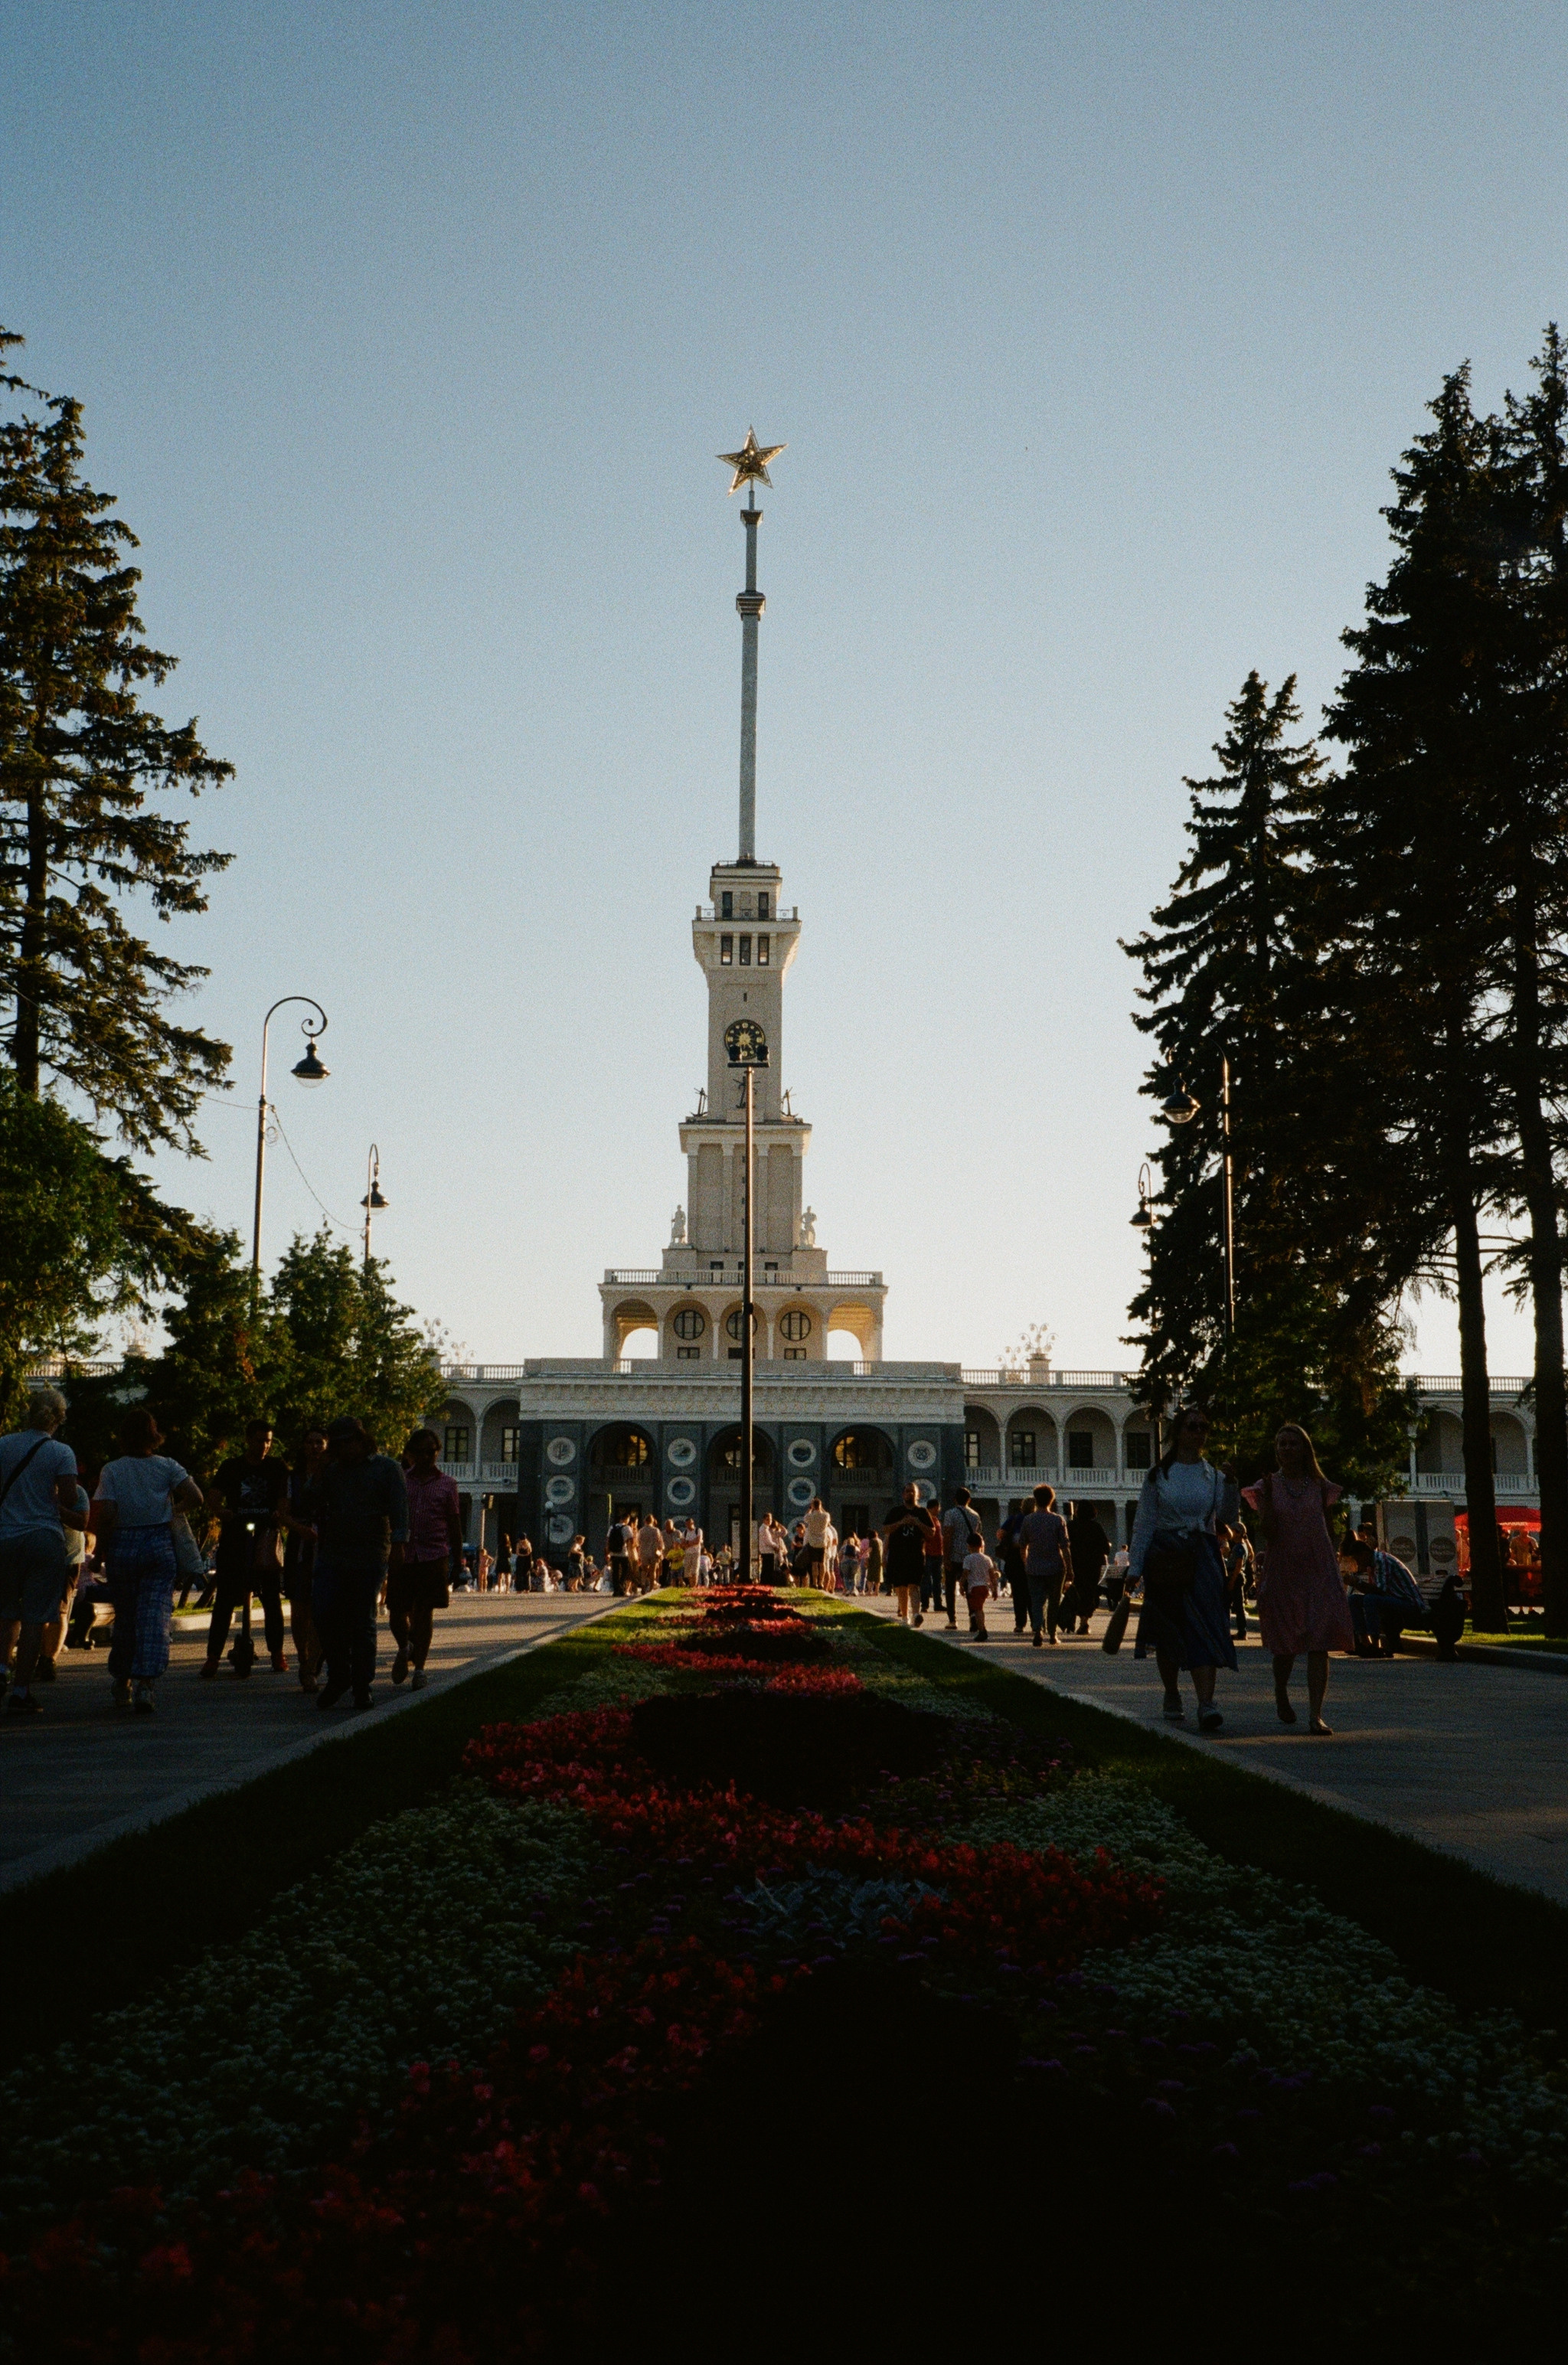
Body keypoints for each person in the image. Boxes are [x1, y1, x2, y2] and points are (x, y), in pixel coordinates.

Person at [1129, 1406, 1238, 1730]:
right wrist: (1134, 1566)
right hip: (1165, 1556)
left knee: (1205, 1624)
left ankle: (1206, 1703)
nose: (1199, 1432)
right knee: (1168, 1630)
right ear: (1179, 1432)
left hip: (1202, 1556)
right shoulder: (1159, 1475)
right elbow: (1144, 1523)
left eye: (1204, 1427)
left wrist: (1232, 1484)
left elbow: (1228, 1517)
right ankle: (1172, 1692)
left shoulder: (1214, 1476)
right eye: (1193, 1426)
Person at [92, 1408, 204, 1716]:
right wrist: (169, 1513)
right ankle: (146, 1684)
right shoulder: (168, 1466)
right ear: (154, 1435)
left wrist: (100, 1552)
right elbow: (196, 1497)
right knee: (154, 1616)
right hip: (158, 1545)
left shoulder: (112, 1470)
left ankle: (122, 1681)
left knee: (127, 1617)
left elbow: (109, 1513)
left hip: (124, 1546)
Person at [1242, 1423, 1351, 1736]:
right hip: (1284, 1571)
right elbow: (1269, 1532)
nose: (1286, 1449)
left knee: (1321, 1642)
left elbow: (1328, 1529)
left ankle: (1316, 1713)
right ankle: (1281, 1692)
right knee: (1286, 1645)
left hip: (1319, 1570)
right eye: (1281, 1444)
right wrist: (1266, 1503)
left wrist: (1335, 1567)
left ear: (1305, 1449)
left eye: (1292, 1444)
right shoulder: (1266, 1487)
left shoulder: (1320, 1485)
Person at [302, 1417, 409, 1711]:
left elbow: (400, 1510)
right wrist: (318, 1475)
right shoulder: (333, 1471)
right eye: (338, 1445)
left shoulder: (386, 1468)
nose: (344, 1449)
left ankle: (362, 1684)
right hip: (334, 1553)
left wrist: (400, 1545)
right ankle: (339, 1674)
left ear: (362, 1440)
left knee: (363, 1621)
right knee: (323, 1612)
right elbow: (307, 1502)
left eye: (349, 1442)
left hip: (370, 1552)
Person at [0, 1387, 91, 1719]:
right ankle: (21, 1692)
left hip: (5, 1537)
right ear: (59, 1418)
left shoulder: (4, 1444)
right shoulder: (60, 1452)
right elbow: (68, 1498)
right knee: (37, 1618)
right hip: (43, 1539)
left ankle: (0, 1671)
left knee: (7, 1612)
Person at [202, 1419, 291, 1679]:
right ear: (248, 1440)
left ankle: (277, 1654)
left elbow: (286, 1498)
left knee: (272, 1599)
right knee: (225, 1602)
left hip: (265, 1539)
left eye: (268, 1441)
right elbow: (213, 1499)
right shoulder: (231, 1467)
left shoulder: (276, 1467)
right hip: (235, 1540)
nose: (264, 1446)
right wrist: (222, 1512)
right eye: (260, 1440)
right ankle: (213, 1658)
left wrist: (280, 1513)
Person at [390, 1429, 463, 1691]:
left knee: (425, 1614)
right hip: (404, 1554)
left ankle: (420, 1668)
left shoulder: (448, 1484)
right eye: (420, 1451)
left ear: (438, 1452)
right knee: (397, 1610)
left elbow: (454, 1523)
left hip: (434, 1555)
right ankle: (404, 1646)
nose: (426, 1456)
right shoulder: (401, 1481)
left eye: (431, 1451)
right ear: (410, 1453)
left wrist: (459, 1562)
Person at [283, 1429, 328, 1691]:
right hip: (301, 1546)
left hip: (327, 1547)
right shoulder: (293, 1478)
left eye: (319, 1443)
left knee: (321, 1608)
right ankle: (303, 1659)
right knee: (299, 1608)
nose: (314, 1448)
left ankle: (312, 1665)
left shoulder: (333, 1477)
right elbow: (283, 1513)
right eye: (309, 1442)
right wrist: (301, 1530)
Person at [1341, 1534, 1426, 1658]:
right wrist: (1355, 1582)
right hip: (1393, 1600)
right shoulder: (1371, 1564)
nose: (1357, 1563)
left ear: (1364, 1554)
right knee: (1353, 1600)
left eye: (1357, 1559)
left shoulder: (1381, 1561)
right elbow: (1373, 1590)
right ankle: (1364, 1642)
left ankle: (1376, 1645)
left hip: (1409, 1603)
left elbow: (1379, 1591)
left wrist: (1356, 1582)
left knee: (1371, 1600)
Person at [1017, 1483, 1073, 1648]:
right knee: (1054, 1601)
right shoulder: (1058, 1520)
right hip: (1056, 1566)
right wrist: (1070, 1569)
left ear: (1036, 1500)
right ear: (1051, 1500)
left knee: (1037, 1600)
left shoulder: (1028, 1520)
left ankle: (1038, 1630)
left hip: (1034, 1566)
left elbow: (1022, 1546)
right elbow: (1065, 1547)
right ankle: (1053, 1634)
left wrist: (1026, 1562)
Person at [882, 1483, 936, 1625]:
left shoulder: (923, 1513)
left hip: (916, 1554)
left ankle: (916, 1614)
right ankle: (905, 1616)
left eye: (913, 1491)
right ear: (903, 1495)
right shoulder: (896, 1512)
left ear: (918, 1495)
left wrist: (918, 1523)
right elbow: (886, 1529)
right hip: (898, 1554)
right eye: (907, 1491)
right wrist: (901, 1523)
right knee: (901, 1587)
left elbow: (932, 1532)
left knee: (914, 1585)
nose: (910, 1494)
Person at [1065, 1501, 1111, 1635]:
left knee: (1077, 1592)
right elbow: (1106, 1549)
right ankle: (1084, 1621)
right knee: (1090, 1593)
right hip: (1093, 1566)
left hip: (1076, 1565)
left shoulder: (1071, 1526)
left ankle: (1079, 1620)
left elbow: (1065, 1545)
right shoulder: (1096, 1527)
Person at [941, 1488, 983, 1626]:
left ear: (955, 1500)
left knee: (950, 1588)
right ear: (969, 1500)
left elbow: (948, 1536)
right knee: (969, 1587)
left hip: (954, 1556)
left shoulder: (950, 1514)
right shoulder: (975, 1515)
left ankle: (952, 1620)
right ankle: (972, 1615)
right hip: (970, 1556)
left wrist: (946, 1557)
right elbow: (978, 1537)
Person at [1218, 1522, 1253, 1641]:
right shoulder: (1240, 1546)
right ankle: (1229, 1630)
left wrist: (1232, 1581)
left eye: (1233, 1530)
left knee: (1237, 1606)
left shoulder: (1239, 1547)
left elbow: (1238, 1565)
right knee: (1231, 1604)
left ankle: (1242, 1631)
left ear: (1238, 1533)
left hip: (1236, 1577)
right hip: (1235, 1577)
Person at [998, 1500, 1029, 1632]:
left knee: (1018, 1594)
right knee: (1033, 1593)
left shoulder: (1014, 1518)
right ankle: (1037, 1623)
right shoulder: (1035, 1519)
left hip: (1014, 1560)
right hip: (1032, 1560)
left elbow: (1000, 1534)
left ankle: (1020, 1624)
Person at [962, 1532, 997, 1641]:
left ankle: (982, 1630)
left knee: (978, 1610)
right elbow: (992, 1576)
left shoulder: (968, 1559)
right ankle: (982, 1628)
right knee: (979, 1608)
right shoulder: (987, 1559)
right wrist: (995, 1589)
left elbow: (966, 1574)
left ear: (969, 1546)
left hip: (975, 1588)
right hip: (985, 1588)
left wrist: (961, 1584)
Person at [803, 1496, 835, 1586]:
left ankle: (815, 1582)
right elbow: (827, 1516)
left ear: (813, 1506)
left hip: (813, 1542)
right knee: (822, 1563)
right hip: (822, 1542)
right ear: (820, 1506)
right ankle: (821, 1582)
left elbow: (805, 1517)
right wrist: (820, 1508)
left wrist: (810, 1509)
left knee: (814, 1564)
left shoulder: (810, 1516)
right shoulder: (826, 1515)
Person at [635, 1511, 664, 1592]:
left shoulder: (641, 1531)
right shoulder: (656, 1530)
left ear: (645, 1521)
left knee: (644, 1570)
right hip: (653, 1553)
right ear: (652, 1521)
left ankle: (643, 1585)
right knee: (653, 1571)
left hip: (643, 1552)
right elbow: (660, 1543)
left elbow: (638, 1542)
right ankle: (651, 1587)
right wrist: (660, 1551)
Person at [606, 1514, 632, 1596]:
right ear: (626, 1519)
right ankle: (621, 1584)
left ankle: (616, 1590)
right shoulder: (627, 1528)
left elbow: (608, 1540)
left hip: (613, 1553)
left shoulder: (612, 1527)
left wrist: (608, 1552)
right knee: (626, 1570)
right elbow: (631, 1540)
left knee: (615, 1572)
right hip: (623, 1553)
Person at [756, 1511, 786, 1583]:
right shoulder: (764, 1529)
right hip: (767, 1552)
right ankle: (766, 1583)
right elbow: (768, 1542)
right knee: (768, 1570)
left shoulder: (765, 1528)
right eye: (767, 1519)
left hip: (767, 1551)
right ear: (764, 1520)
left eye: (770, 1519)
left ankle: (765, 1583)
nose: (769, 1521)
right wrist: (776, 1546)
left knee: (766, 1569)